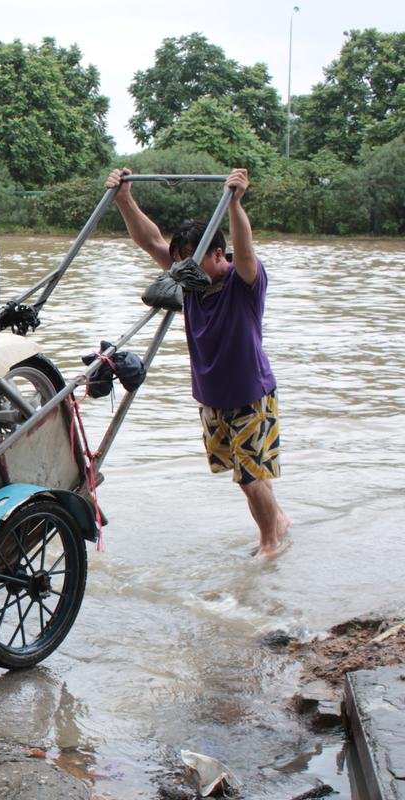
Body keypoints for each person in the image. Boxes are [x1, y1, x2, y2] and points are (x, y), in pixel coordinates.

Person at [105, 167, 290, 558]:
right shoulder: (190, 283)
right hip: (210, 397)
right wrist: (125, 199)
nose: (179, 268)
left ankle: (270, 543)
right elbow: (151, 241)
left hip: (249, 394)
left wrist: (236, 204)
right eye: (178, 262)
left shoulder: (244, 283)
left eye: (190, 259)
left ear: (218, 254)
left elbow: (246, 250)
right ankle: (280, 521)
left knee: (249, 476)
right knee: (245, 473)